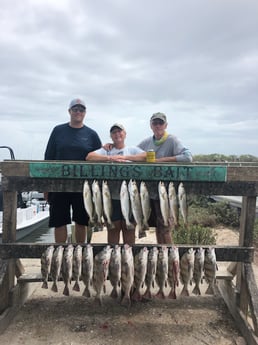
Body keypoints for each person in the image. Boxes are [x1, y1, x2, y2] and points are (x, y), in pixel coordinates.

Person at [44, 98, 102, 243]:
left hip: (84, 187)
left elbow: (100, 158)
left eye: (81, 110)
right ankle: (61, 255)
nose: (78, 112)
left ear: (85, 113)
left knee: (81, 222)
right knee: (59, 222)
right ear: (69, 111)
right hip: (58, 184)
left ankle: (80, 255)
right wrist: (45, 186)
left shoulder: (92, 134)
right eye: (75, 109)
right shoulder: (58, 131)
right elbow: (48, 157)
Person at [86, 123, 146, 244]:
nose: (117, 134)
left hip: (130, 196)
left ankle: (128, 258)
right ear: (110, 136)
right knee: (113, 228)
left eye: (120, 131)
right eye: (114, 132)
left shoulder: (132, 149)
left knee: (129, 229)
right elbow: (89, 157)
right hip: (110, 196)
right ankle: (113, 258)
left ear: (125, 134)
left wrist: (126, 158)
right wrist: (110, 158)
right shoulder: (106, 150)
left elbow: (146, 156)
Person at [138, 112, 193, 244]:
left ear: (166, 125)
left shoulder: (172, 140)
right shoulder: (146, 142)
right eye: (155, 123)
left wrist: (162, 160)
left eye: (160, 123)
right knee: (158, 225)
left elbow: (188, 157)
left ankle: (170, 258)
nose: (158, 126)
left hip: (168, 192)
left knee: (166, 227)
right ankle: (161, 256)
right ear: (151, 125)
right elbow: (131, 153)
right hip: (150, 191)